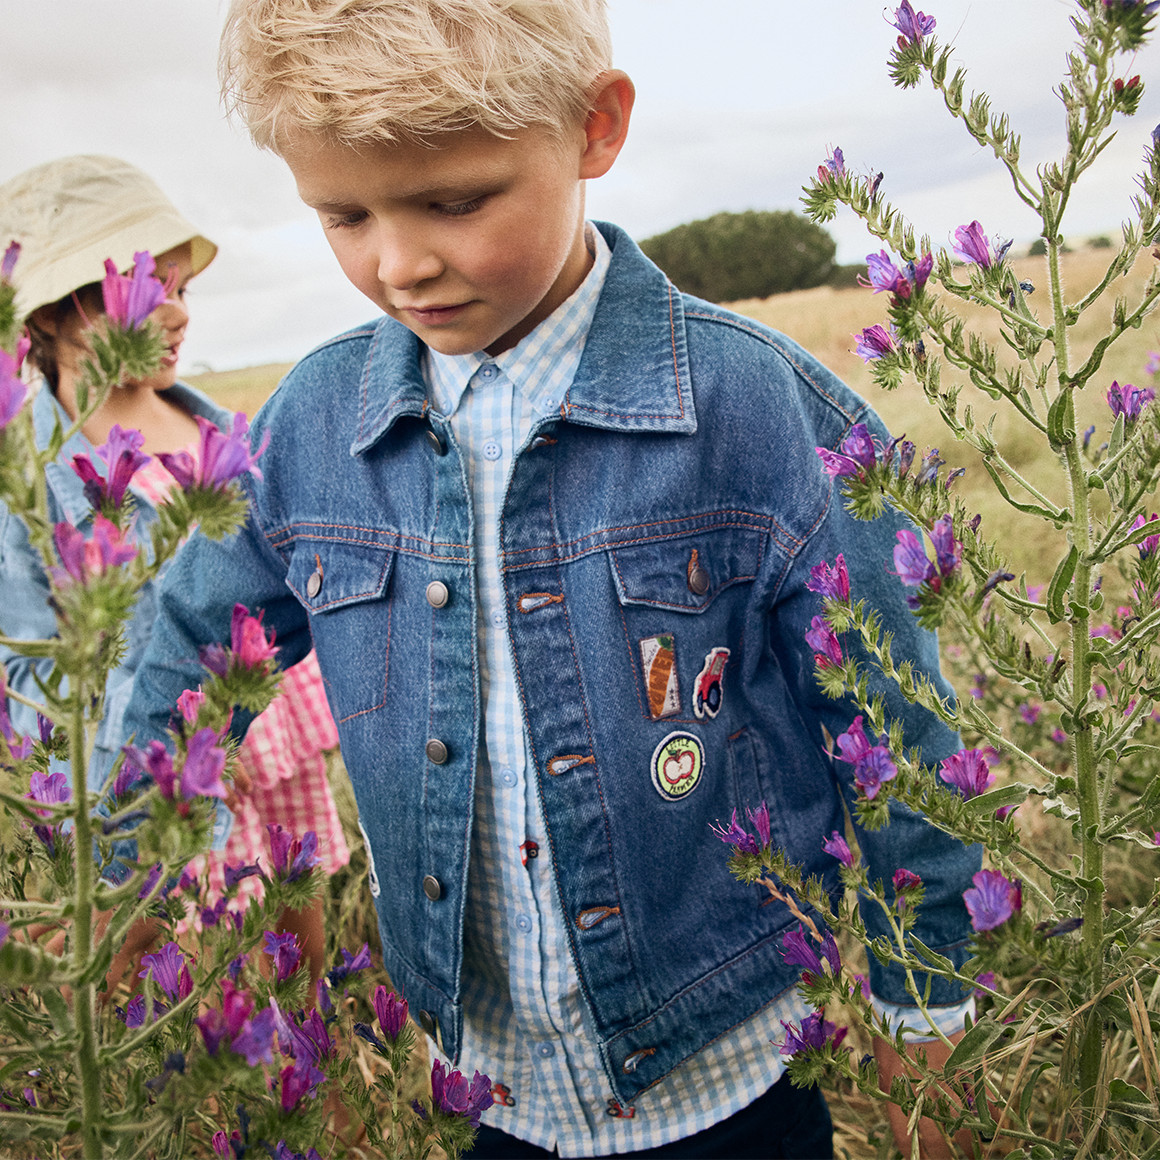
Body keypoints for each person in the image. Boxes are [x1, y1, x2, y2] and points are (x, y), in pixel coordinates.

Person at [122, 3, 982, 1156]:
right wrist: (117, 863)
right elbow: (182, 638)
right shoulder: (313, 427)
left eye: (454, 200)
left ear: (594, 126)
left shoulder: (753, 408)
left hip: (728, 1070)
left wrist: (919, 996)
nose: (398, 260)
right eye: (343, 213)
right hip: (492, 1090)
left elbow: (890, 717)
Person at [0, 155, 349, 985]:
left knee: (297, 935)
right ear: (64, 307)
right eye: (157, 288)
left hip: (269, 736)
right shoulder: (29, 471)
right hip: (153, 767)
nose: (181, 314)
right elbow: (26, 672)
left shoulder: (218, 427)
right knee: (172, 966)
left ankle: (326, 1087)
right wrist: (97, 805)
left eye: (186, 291)